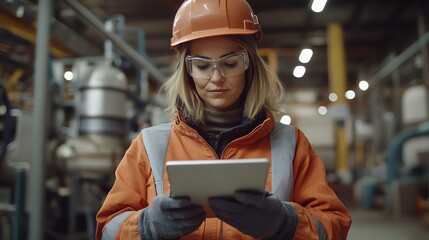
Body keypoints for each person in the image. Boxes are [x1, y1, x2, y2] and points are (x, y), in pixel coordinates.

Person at [95, 0, 352, 239]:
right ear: (188, 70)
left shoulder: (290, 143)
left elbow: (335, 225)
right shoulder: (149, 145)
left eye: (230, 64)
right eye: (203, 66)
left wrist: (287, 223)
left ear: (249, 64)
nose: (216, 78)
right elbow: (108, 228)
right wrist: (145, 226)